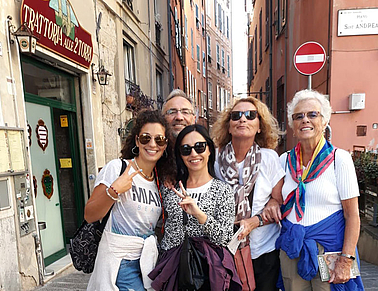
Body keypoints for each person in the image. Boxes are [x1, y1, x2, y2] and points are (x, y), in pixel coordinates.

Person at [275, 89, 364, 290]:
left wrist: (346, 259)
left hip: (331, 249)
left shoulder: (338, 159)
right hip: (293, 248)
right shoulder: (284, 161)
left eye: (312, 114)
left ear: (324, 122)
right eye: (299, 116)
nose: (305, 120)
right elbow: (276, 200)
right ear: (293, 126)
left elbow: (353, 216)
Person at [84, 110, 174, 291]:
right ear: (137, 141)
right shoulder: (118, 168)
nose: (152, 144)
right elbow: (90, 215)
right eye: (146, 138)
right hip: (119, 262)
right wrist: (114, 190)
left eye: (159, 140)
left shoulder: (159, 180)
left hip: (147, 261)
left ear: (165, 146)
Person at [149, 124, 241, 291]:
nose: (194, 154)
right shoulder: (170, 187)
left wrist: (199, 214)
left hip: (207, 271)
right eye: (186, 149)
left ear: (209, 150)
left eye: (199, 147)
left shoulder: (222, 190)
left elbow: (225, 238)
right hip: (172, 270)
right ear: (180, 155)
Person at [212, 97, 285, 291]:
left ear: (260, 126)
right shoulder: (216, 159)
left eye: (250, 115)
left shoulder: (269, 158)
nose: (242, 119)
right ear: (228, 127)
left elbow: (278, 202)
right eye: (236, 116)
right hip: (227, 248)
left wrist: (256, 220)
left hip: (263, 250)